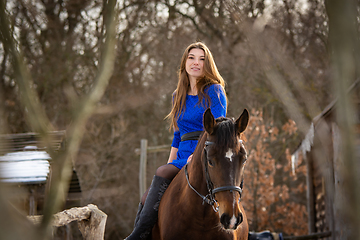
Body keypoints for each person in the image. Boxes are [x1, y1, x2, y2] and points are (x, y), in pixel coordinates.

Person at [125, 41, 228, 240]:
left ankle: (136, 236)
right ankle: (144, 234)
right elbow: (177, 135)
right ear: (185, 63)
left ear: (208, 64)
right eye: (192, 58)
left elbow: (215, 130)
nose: (196, 63)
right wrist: (171, 162)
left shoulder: (214, 91)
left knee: (161, 172)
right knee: (147, 196)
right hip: (182, 154)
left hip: (204, 154)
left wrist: (195, 156)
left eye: (202, 59)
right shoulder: (177, 95)